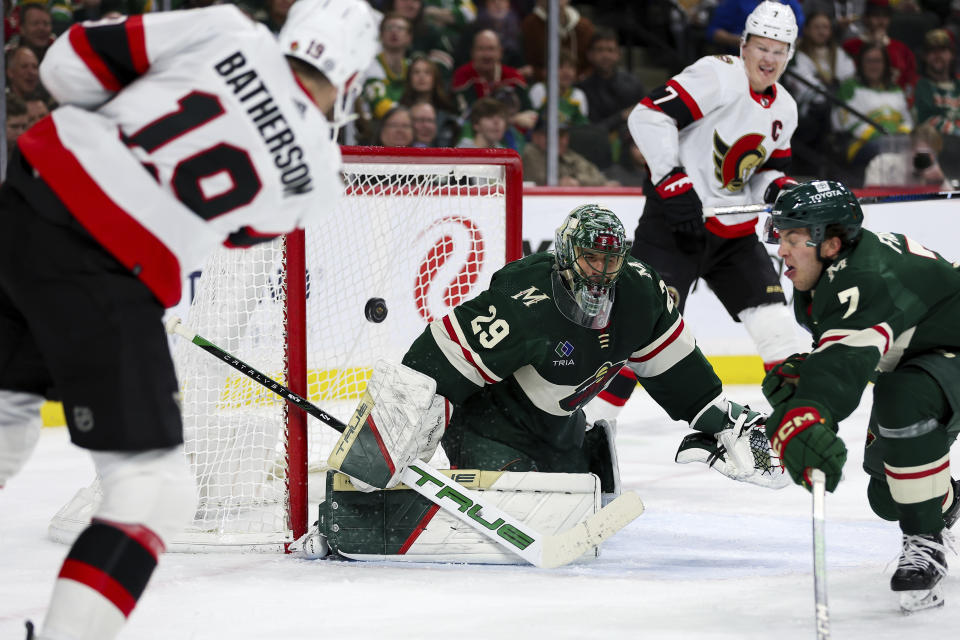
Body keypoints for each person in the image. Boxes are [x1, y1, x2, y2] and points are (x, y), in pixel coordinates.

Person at [0, 1, 377, 638]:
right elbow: (237, 233)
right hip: (103, 271)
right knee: (153, 488)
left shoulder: (229, 29)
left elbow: (65, 68)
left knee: (6, 420)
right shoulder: (317, 170)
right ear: (350, 76)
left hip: (23, 203)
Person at [318, 204, 788, 561]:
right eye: (590, 259)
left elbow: (679, 375)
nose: (603, 272)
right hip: (490, 422)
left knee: (574, 507)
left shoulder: (642, 292)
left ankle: (579, 452)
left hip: (560, 423)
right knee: (524, 510)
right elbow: (436, 364)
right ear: (565, 254)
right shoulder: (524, 301)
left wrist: (727, 424)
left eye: (611, 260)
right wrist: (388, 438)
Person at [592, 1, 808, 419]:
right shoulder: (718, 74)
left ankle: (796, 428)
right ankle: (589, 432)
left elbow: (765, 173)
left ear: (790, 55)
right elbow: (648, 116)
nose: (769, 58)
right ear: (744, 45)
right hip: (675, 227)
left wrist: (779, 190)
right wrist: (673, 181)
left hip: (734, 236)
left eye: (779, 50)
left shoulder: (786, 108)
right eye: (762, 47)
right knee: (638, 335)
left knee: (778, 331)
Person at [762, 179, 960, 613]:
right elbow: (849, 347)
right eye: (781, 237)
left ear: (830, 244)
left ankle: (926, 546)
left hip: (945, 359)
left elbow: (843, 369)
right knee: (887, 496)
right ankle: (946, 500)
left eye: (793, 239)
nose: (782, 251)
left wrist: (809, 410)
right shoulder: (829, 274)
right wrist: (809, 377)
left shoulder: (864, 276)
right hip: (926, 354)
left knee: (902, 398)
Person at [833, 42, 912, 175]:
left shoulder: (896, 89)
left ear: (885, 64)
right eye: (869, 61)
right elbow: (845, 121)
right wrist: (886, 138)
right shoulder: (849, 88)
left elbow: (907, 120)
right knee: (884, 146)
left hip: (897, 141)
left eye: (878, 61)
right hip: (861, 145)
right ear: (860, 63)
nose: (873, 66)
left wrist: (900, 136)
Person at [783, 9, 855, 156]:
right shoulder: (797, 56)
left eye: (826, 27)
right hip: (809, 110)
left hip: (838, 104)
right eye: (817, 27)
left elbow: (850, 79)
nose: (822, 32)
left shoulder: (839, 54)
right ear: (807, 30)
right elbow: (803, 86)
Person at [841, 0, 917, 104]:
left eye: (885, 16)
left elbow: (911, 78)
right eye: (876, 16)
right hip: (862, 101)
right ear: (865, 18)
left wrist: (907, 100)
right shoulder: (851, 46)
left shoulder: (901, 48)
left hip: (896, 103)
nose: (881, 21)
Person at [913, 28, 960, 177]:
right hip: (939, 147)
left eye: (943, 50)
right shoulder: (921, 85)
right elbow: (927, 120)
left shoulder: (958, 84)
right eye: (932, 51)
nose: (938, 56)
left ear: (951, 55)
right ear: (925, 57)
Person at [521, 114, 617, 186]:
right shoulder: (530, 152)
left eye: (562, 135)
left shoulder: (570, 155)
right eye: (550, 134)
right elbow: (543, 179)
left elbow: (599, 179)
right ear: (535, 136)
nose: (557, 140)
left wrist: (576, 181)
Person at [520, 0, 594, 81]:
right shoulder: (530, 24)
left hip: (579, 85)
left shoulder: (584, 26)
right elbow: (528, 66)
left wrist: (581, 77)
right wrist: (540, 74)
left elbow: (591, 63)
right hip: (542, 84)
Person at [398, 54, 461, 146]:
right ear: (409, 78)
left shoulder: (447, 116)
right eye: (416, 72)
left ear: (435, 78)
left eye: (427, 72)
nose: (421, 77)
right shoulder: (399, 113)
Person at [707, 0, 805, 54]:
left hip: (779, 61)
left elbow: (800, 36)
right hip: (738, 56)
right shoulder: (736, 2)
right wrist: (741, 41)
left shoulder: (792, 4)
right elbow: (713, 32)